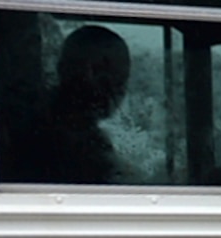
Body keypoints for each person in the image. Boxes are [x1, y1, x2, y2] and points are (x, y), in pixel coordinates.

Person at [10, 25, 132, 185]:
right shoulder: (59, 135)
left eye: (122, 79)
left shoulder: (37, 116)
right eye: (116, 78)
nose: (119, 89)